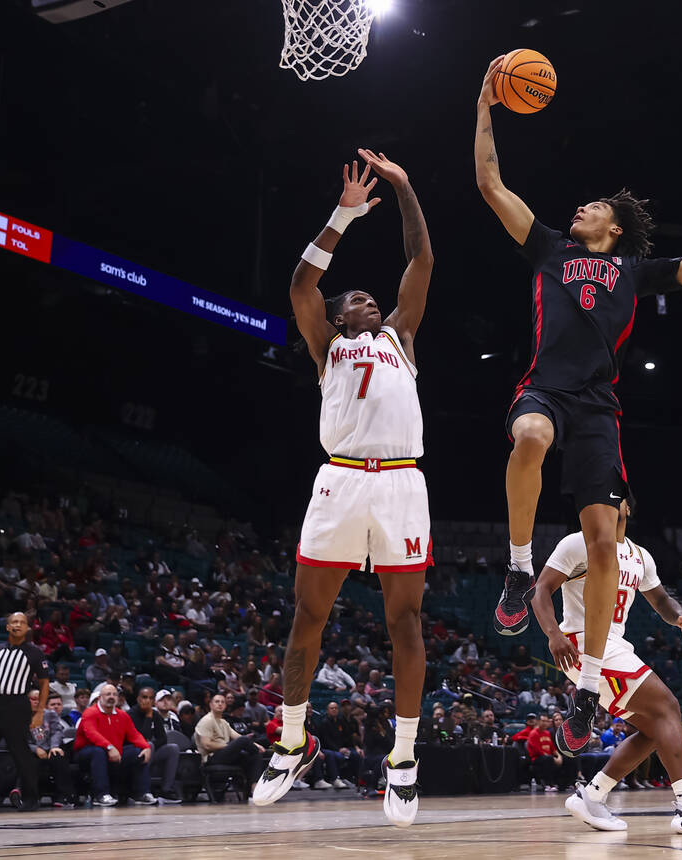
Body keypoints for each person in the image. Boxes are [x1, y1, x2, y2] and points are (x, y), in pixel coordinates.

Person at [475, 55, 682, 758]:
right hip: (546, 389)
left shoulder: (634, 268)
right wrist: (485, 105)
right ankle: (519, 565)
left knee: (602, 546)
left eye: (595, 206)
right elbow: (490, 182)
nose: (581, 207)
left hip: (597, 408)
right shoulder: (548, 248)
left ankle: (588, 694)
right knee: (527, 434)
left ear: (615, 229)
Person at [250, 148, 433, 831]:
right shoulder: (326, 343)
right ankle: (291, 742)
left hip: (400, 485)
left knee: (405, 623)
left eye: (372, 298)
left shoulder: (400, 337)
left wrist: (406, 188)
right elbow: (301, 283)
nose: (373, 300)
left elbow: (421, 261)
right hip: (339, 480)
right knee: (307, 618)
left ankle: (404, 758)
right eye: (360, 298)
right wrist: (344, 215)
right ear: (341, 313)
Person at [528, 500, 682, 833]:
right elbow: (540, 590)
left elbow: (661, 601)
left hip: (614, 646)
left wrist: (679, 617)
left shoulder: (640, 555)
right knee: (668, 707)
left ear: (628, 506)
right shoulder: (577, 542)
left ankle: (592, 796)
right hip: (582, 645)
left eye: (615, 496)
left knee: (657, 729)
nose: (607, 500)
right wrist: (553, 634)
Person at [0, 612, 51, 811]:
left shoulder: (35, 653)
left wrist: (39, 712)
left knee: (21, 754)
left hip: (16, 706)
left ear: (27, 628)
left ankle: (31, 798)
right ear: (7, 626)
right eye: (14, 621)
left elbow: (45, 683)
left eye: (22, 622)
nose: (18, 625)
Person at [74, 683, 155, 806]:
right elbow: (92, 734)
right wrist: (109, 747)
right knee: (98, 751)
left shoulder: (122, 715)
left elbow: (134, 735)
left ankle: (142, 794)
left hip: (113, 752)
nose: (111, 697)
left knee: (138, 752)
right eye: (107, 694)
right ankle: (101, 795)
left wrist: (146, 747)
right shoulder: (90, 713)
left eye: (114, 694)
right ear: (100, 697)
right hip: (86, 753)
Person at [195, 692, 265, 792]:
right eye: (217, 701)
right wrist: (227, 746)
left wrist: (256, 745)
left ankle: (255, 789)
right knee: (244, 741)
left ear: (225, 705)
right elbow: (207, 745)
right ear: (211, 705)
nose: (220, 704)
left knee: (255, 755)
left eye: (222, 702)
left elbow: (237, 736)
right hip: (211, 758)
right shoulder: (206, 720)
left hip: (225, 755)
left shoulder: (223, 722)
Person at [130, 686, 182, 802]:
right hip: (133, 752)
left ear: (153, 701)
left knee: (173, 748)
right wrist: (148, 717)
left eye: (150, 698)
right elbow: (141, 737)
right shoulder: (131, 714)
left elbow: (163, 739)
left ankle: (166, 790)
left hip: (150, 751)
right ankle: (143, 791)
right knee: (149, 745)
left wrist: (151, 745)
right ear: (138, 699)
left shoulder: (155, 715)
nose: (147, 701)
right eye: (144, 697)